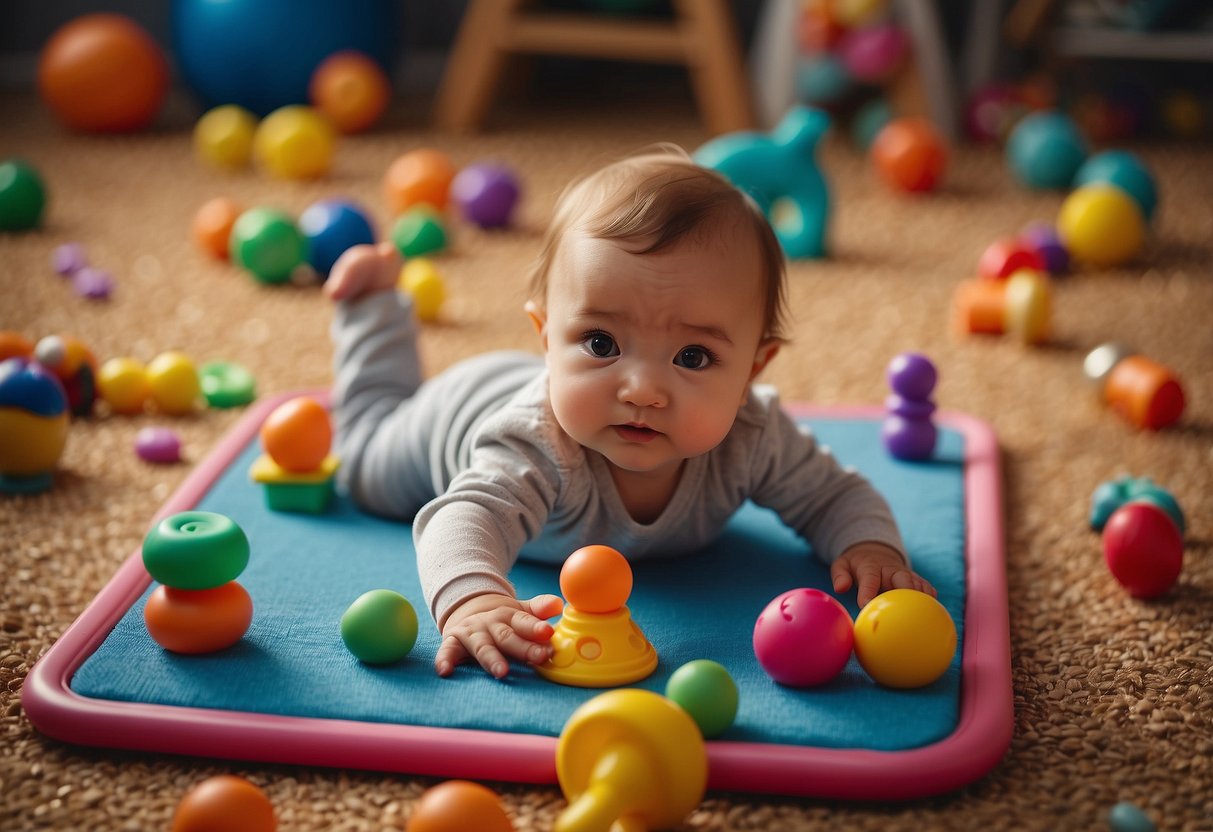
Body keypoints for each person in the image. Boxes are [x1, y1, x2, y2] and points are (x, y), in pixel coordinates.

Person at [325, 147, 935, 680]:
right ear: (546, 336)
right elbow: (462, 518)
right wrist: (474, 601)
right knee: (361, 466)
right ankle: (372, 311)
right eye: (600, 343)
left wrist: (871, 545)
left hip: (523, 390)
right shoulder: (535, 447)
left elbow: (835, 495)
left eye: (692, 356)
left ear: (753, 367)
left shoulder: (753, 435)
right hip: (449, 415)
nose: (642, 389)